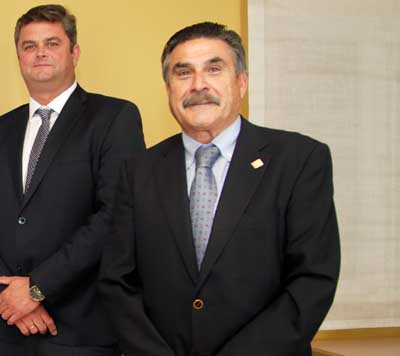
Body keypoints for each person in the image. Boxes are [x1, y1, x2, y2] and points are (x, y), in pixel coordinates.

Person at [98, 22, 340, 355]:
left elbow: (312, 280)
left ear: (241, 82)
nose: (199, 85)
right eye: (183, 73)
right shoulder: (139, 170)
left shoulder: (299, 160)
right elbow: (117, 281)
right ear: (168, 88)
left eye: (214, 69)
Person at [0, 4, 145, 355]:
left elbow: (115, 216)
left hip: (81, 329)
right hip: (14, 329)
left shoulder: (113, 118)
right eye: (29, 46)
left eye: (52, 43)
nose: (40, 52)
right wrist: (8, 296)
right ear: (19, 57)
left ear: (74, 52)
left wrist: (36, 289)